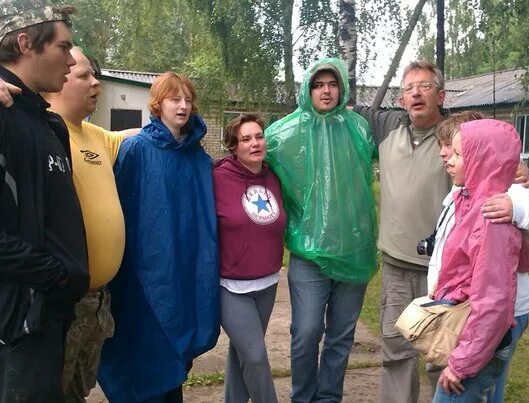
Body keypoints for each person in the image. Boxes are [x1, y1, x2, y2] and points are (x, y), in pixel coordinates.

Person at [97, 72, 220, 402]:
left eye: (188, 100)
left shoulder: (197, 159)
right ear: (158, 104)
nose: (182, 106)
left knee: (176, 353)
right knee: (144, 354)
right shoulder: (135, 150)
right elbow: (117, 211)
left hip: (184, 272)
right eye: (174, 99)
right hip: (142, 274)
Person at [265, 58, 378, 402]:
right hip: (309, 254)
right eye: (318, 84)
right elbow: (250, 154)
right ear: (307, 90)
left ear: (341, 88)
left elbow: (398, 154)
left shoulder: (358, 127)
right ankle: (303, 397)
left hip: (353, 251)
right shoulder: (286, 132)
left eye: (332, 84)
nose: (326, 90)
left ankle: (328, 398)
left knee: (342, 335)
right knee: (306, 332)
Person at [429, 111, 529, 402]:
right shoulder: (467, 197)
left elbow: (493, 303)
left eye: (457, 151)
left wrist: (461, 365)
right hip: (473, 324)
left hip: (483, 330)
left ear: (479, 157)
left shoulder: (496, 208)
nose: (448, 157)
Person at [0, 2, 89, 401]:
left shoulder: (47, 122)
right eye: (63, 47)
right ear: (25, 43)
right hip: (17, 322)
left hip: (48, 317)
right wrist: (56, 276)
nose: (71, 60)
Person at [353, 60, 451, 403]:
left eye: (424, 86)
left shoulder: (456, 135)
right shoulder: (386, 125)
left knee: (442, 357)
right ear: (400, 100)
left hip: (445, 271)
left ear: (440, 95)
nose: (416, 94)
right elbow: (341, 107)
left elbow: (498, 157)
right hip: (396, 265)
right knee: (396, 353)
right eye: (409, 89)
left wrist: (519, 173)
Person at [42, 46, 128, 402]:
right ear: (58, 80)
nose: (96, 84)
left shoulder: (97, 137)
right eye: (84, 76)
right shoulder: (40, 132)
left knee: (78, 392)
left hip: (97, 304)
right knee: (47, 392)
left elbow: (141, 135)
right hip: (62, 302)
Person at [214, 112, 286, 403]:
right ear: (234, 146)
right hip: (231, 287)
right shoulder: (217, 176)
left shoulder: (275, 175)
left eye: (259, 136)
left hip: (268, 283)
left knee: (241, 354)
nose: (255, 143)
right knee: (255, 356)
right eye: (246, 139)